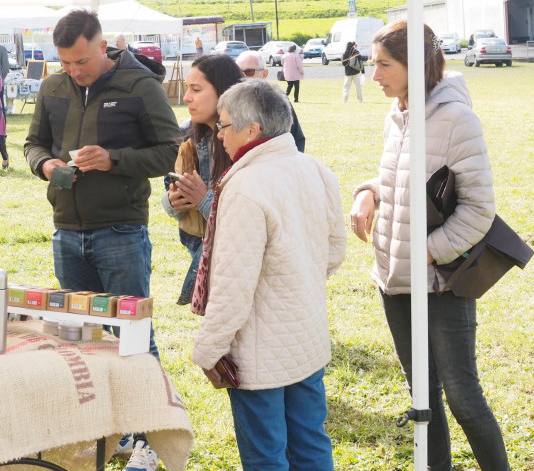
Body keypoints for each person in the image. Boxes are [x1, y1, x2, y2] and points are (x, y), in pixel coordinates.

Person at [349, 20, 510, 471]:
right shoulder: (395, 115)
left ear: (415, 64)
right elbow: (395, 179)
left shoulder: (457, 119)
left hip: (441, 282)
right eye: (372, 63)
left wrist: (428, 251)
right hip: (394, 280)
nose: (373, 75)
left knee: (462, 395)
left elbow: (478, 210)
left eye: (383, 65)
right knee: (423, 396)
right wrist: (367, 191)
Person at [24, 10, 181, 470]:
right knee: (84, 340)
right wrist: (46, 166)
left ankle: (153, 441)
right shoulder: (52, 87)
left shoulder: (138, 85)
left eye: (81, 61)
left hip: (121, 231)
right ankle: (107, 434)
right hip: (67, 233)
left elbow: (171, 150)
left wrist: (113, 160)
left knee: (134, 339)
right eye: (66, 63)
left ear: (101, 45)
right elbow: (34, 144)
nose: (74, 71)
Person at [192, 79, 346, 470]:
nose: (219, 135)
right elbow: (333, 253)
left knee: (265, 457)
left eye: (223, 126)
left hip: (258, 355)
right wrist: (294, 281)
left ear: (252, 131)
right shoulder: (314, 169)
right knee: (311, 443)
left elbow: (232, 288)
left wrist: (208, 351)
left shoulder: (245, 186)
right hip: (305, 338)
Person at [161, 54, 242, 305]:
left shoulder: (249, 137)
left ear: (223, 92)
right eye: (187, 88)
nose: (186, 98)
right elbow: (168, 190)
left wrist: (204, 200)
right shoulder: (187, 133)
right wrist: (173, 202)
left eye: (196, 89)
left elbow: (247, 218)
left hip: (240, 258)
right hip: (202, 250)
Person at [236, 50, 306, 152]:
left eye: (249, 72)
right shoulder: (230, 103)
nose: (243, 77)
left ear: (264, 74)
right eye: (238, 72)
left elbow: (297, 138)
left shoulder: (277, 100)